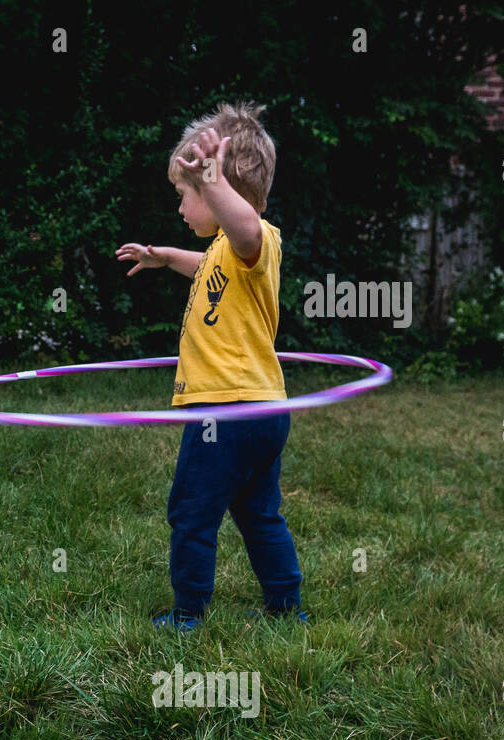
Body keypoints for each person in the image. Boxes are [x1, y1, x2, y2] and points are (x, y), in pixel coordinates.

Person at [115, 101, 304, 630]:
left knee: (191, 511)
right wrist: (164, 256)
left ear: (222, 191)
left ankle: (189, 612)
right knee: (258, 513)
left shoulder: (254, 239)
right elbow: (204, 264)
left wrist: (212, 182)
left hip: (227, 411)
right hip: (260, 411)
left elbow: (243, 225)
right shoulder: (225, 252)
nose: (180, 208)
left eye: (185, 195)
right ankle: (286, 607)